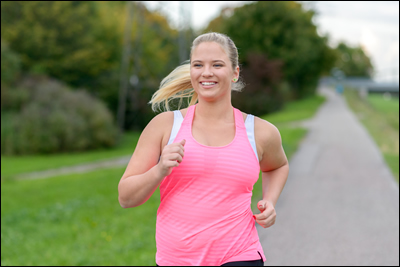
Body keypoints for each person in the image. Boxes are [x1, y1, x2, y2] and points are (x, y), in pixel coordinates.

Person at [118, 32, 289, 266]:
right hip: (176, 259)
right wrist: (159, 170)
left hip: (239, 255)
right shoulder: (165, 126)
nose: (206, 72)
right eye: (198, 65)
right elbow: (126, 198)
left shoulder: (259, 131)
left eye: (217, 64)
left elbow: (278, 165)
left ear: (235, 72)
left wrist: (270, 200)